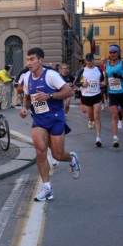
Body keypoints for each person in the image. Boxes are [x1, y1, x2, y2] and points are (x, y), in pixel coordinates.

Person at [19, 47, 81, 202]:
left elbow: (69, 92)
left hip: (55, 117)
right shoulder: (27, 77)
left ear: (41, 61)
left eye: (32, 59)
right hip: (39, 119)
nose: (29, 62)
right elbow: (27, 97)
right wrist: (24, 108)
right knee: (40, 152)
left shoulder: (51, 75)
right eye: (27, 59)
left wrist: (50, 95)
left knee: (57, 155)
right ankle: (47, 188)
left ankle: (72, 159)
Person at [74, 53, 105, 147]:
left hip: (96, 95)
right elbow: (75, 82)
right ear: (85, 61)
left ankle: (98, 138)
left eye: (91, 60)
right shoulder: (82, 71)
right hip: (86, 96)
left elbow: (103, 80)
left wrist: (103, 84)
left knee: (96, 116)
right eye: (87, 60)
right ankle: (90, 121)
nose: (89, 62)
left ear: (94, 60)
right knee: (91, 117)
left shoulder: (98, 70)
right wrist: (82, 85)